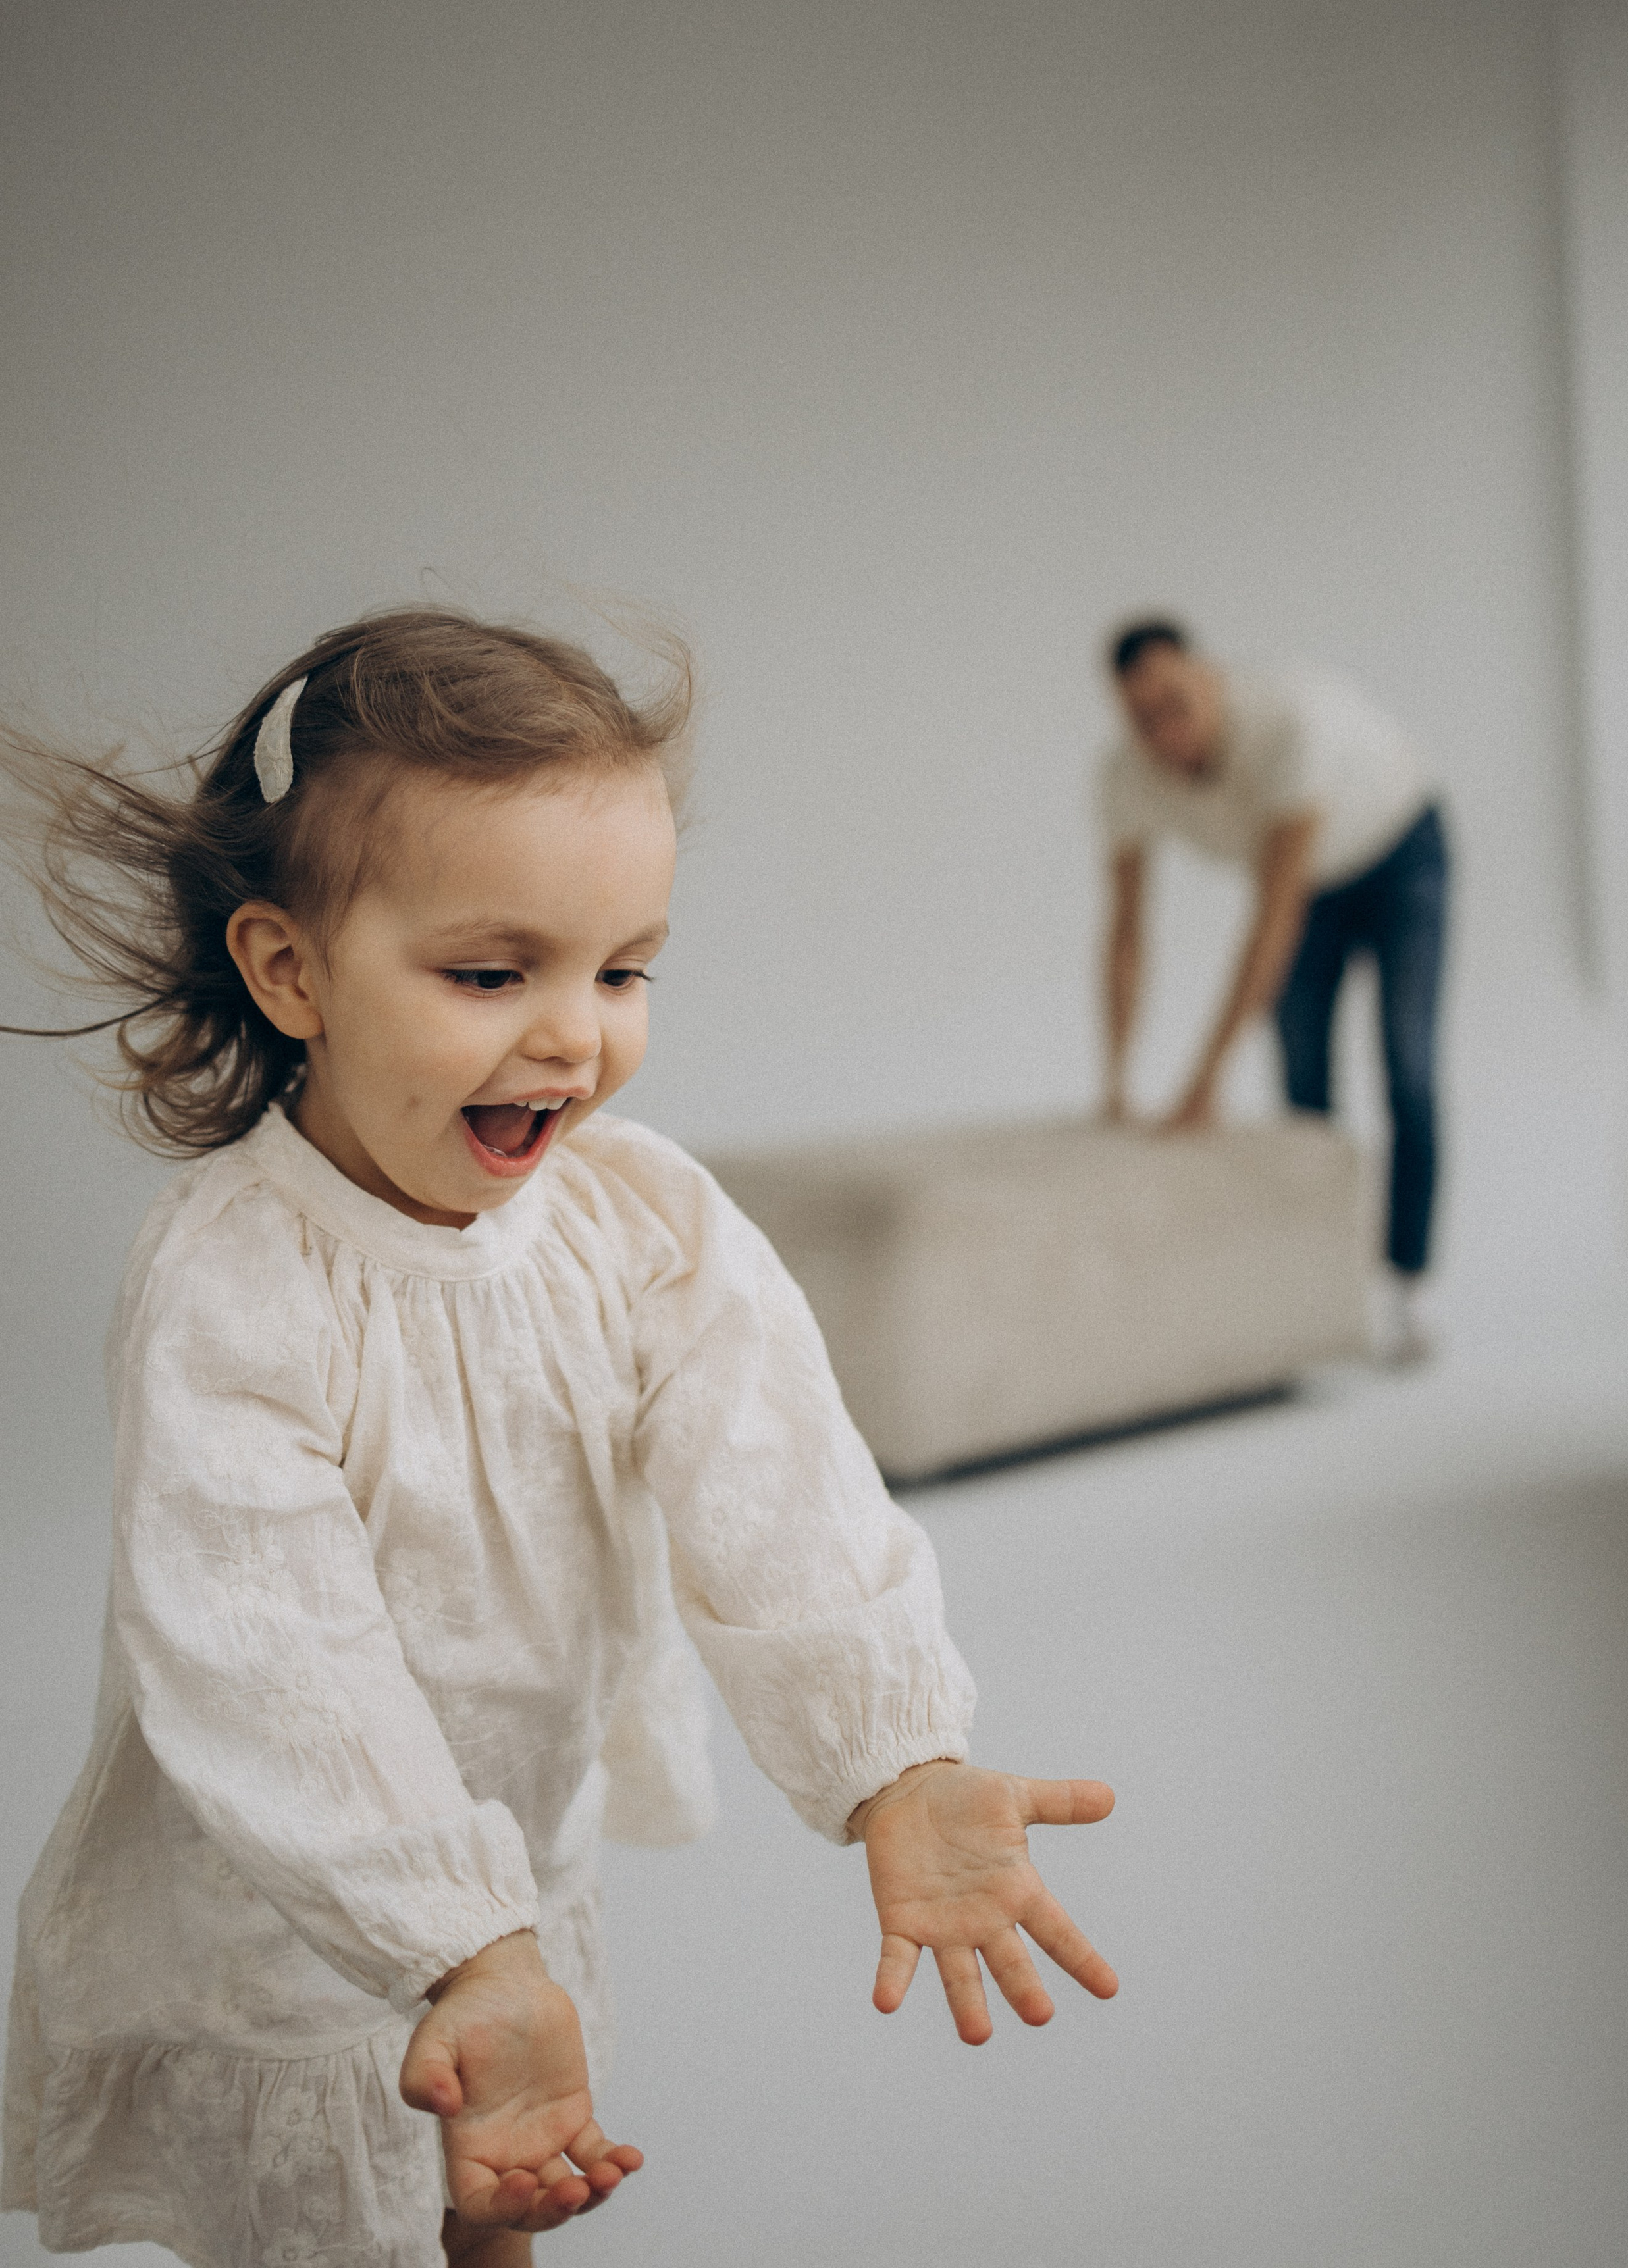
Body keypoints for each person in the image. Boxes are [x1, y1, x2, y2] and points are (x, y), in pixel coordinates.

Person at [1, 609, 1117, 2268]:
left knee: (504, 2187)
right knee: (341, 2230)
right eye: (488, 972)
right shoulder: (236, 1282)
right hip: (300, 1904)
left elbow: (779, 1477)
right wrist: (448, 1938)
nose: (574, 1035)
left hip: (518, 1860)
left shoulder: (636, 1217)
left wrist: (895, 1753)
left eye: (622, 967)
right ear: (288, 967)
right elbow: (265, 1646)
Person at [1099, 617, 1448, 1362]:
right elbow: (1126, 934)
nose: (1164, 733)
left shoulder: (1288, 722)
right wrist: (1116, 1082)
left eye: (1176, 706)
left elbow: (1271, 920)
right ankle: (1322, 1286)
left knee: (1405, 1063)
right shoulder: (1124, 777)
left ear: (1211, 679)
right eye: (1141, 717)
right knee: (1301, 1081)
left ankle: (1408, 1288)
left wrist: (1202, 1084)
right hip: (1313, 882)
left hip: (1397, 853)